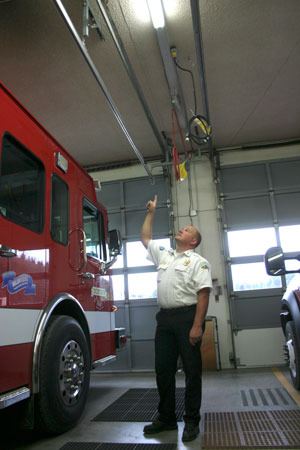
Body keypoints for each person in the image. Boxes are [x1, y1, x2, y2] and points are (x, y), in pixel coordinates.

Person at [141, 195, 212, 443]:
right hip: (165, 320)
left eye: (187, 229)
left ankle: (192, 421)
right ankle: (167, 417)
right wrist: (151, 212)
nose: (182, 229)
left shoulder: (198, 262)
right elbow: (145, 239)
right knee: (163, 370)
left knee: (192, 372)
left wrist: (196, 326)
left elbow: (203, 294)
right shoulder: (166, 255)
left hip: (187, 319)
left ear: (193, 241)